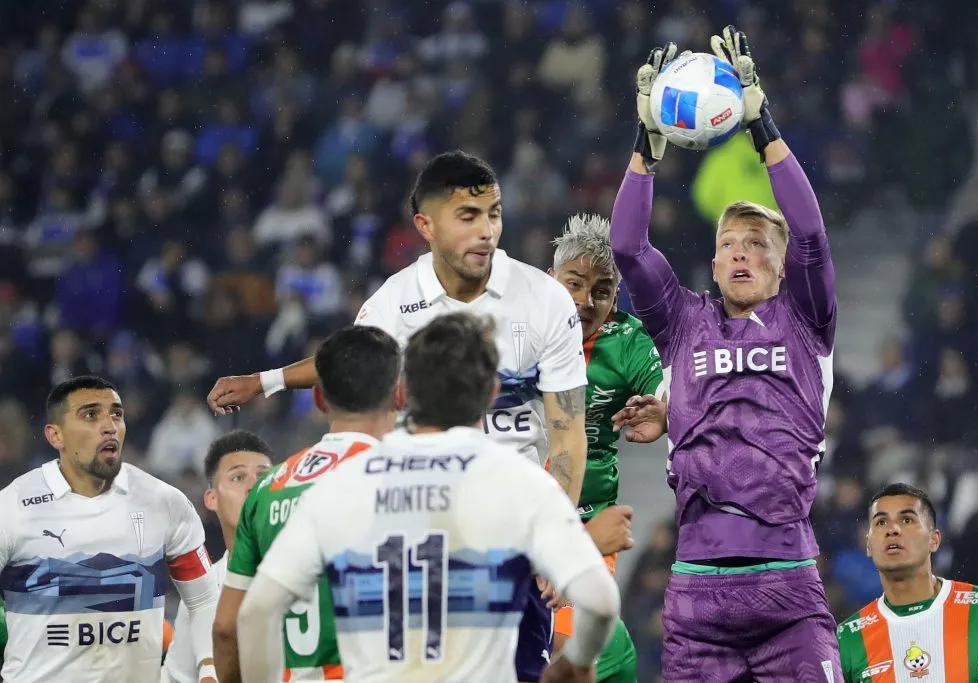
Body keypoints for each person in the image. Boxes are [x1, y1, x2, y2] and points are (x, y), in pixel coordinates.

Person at [207, 150, 589, 682]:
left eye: (494, 213)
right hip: (422, 529)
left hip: (512, 521)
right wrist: (267, 380)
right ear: (425, 226)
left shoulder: (545, 300)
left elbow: (568, 434)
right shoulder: (396, 300)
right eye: (469, 216)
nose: (487, 231)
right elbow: (351, 358)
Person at [610, 29, 841, 681]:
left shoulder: (806, 319)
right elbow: (627, 247)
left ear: (781, 266)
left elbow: (814, 233)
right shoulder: (682, 321)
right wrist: (644, 151)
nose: (742, 251)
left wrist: (760, 123)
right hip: (696, 594)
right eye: (731, 243)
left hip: (789, 591)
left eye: (759, 244)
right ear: (712, 264)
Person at [234, 312, 620, 683]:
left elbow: (256, 612)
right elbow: (600, 601)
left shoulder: (343, 484)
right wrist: (576, 663)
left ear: (402, 392)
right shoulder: (522, 483)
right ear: (492, 392)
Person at [0, 376, 221, 683]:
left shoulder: (165, 503)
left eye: (116, 413)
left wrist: (209, 669)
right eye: (90, 414)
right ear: (56, 436)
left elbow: (203, 600)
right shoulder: (11, 508)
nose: (109, 425)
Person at [212, 326, 401, 683]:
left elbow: (226, 627)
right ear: (401, 396)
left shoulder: (267, 488)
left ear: (318, 400)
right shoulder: (405, 480)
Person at [547, 213, 672, 683]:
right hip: (513, 519)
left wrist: (664, 411)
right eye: (573, 284)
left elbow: (667, 388)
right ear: (549, 280)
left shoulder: (626, 340)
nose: (585, 301)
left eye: (600, 291)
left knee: (581, 651)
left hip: (587, 519)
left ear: (614, 297)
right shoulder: (514, 328)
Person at [837, 483, 978, 682]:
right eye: (881, 522)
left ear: (934, 540)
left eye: (907, 519)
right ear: (868, 546)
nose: (892, 529)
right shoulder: (847, 639)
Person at [161, 431, 272, 683]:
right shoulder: (202, 595)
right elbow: (176, 678)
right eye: (238, 477)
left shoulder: (313, 568)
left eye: (264, 476)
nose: (253, 486)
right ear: (212, 499)